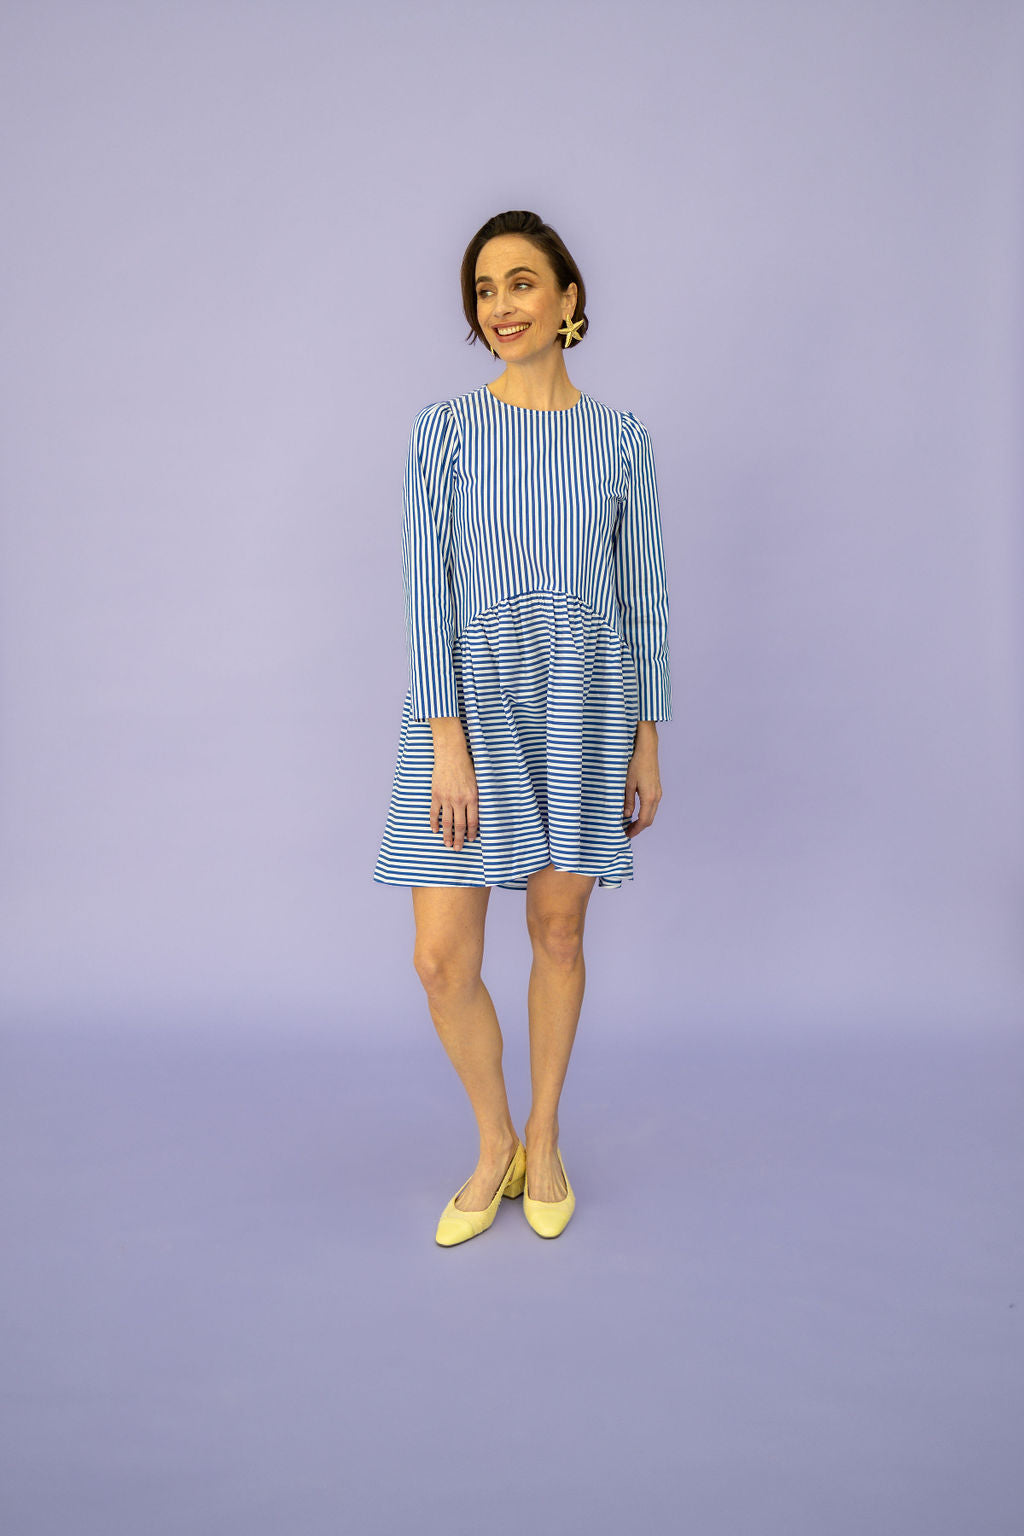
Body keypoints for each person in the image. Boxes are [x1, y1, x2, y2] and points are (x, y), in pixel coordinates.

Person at [373, 209, 672, 1245]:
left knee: (558, 931)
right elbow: (425, 594)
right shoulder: (443, 430)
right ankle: (492, 1137)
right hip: (469, 710)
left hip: (584, 709)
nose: (501, 305)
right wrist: (445, 741)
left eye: (521, 283)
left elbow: (643, 600)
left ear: (567, 298)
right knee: (440, 960)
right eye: (484, 289)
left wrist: (646, 736)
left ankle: (542, 1138)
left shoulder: (622, 441)